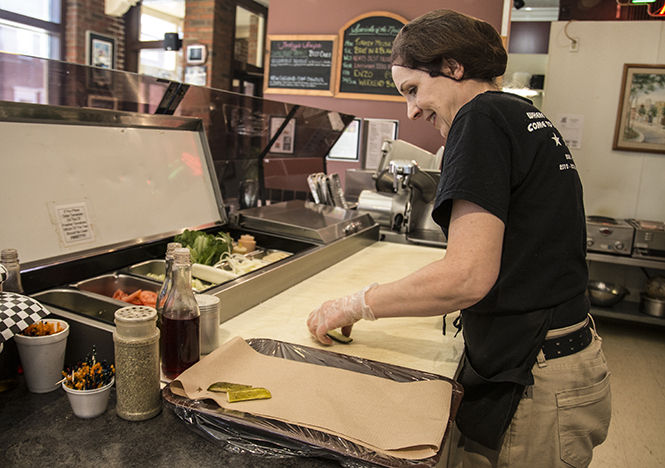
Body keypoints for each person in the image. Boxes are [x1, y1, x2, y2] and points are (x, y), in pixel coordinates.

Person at [306, 9, 611, 468]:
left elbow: (467, 277)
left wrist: (353, 304)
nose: (411, 110)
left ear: (453, 67)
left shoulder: (479, 118)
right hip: (564, 357)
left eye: (413, 90)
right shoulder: (522, 113)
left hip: (538, 376)